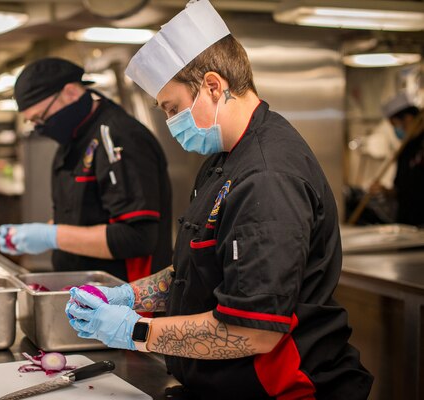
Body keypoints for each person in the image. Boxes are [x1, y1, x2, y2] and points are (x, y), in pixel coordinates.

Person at [65, 1, 373, 399]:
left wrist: (135, 330)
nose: (171, 122)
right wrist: (127, 296)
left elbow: (254, 332)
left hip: (285, 389)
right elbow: (195, 269)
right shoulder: (224, 159)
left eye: (172, 109)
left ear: (213, 85)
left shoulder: (267, 177)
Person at [0, 57, 173, 282]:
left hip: (126, 299)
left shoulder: (120, 137)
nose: (40, 128)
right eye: (34, 122)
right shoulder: (74, 140)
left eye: (41, 117)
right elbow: (83, 216)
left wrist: (52, 236)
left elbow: (137, 237)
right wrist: (34, 234)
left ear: (70, 92)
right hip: (86, 290)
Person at [375, 92, 424, 226]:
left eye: (395, 125)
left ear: (408, 119)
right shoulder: (405, 150)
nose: (396, 130)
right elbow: (401, 190)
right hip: (407, 223)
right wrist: (385, 191)